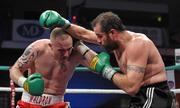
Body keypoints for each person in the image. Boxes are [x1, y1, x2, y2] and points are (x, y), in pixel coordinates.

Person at [39, 10, 177, 108]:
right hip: (142, 96)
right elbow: (84, 34)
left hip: (155, 95)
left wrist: (105, 69)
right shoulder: (114, 41)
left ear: (112, 33)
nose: (97, 40)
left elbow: (131, 87)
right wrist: (62, 22)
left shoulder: (138, 45)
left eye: (99, 36)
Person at [10, 27, 111, 108]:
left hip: (57, 104)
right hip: (29, 102)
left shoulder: (76, 54)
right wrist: (24, 83)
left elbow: (100, 67)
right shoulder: (38, 48)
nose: (66, 54)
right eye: (61, 50)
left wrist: (80, 46)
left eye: (69, 49)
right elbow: (15, 70)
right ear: (51, 45)